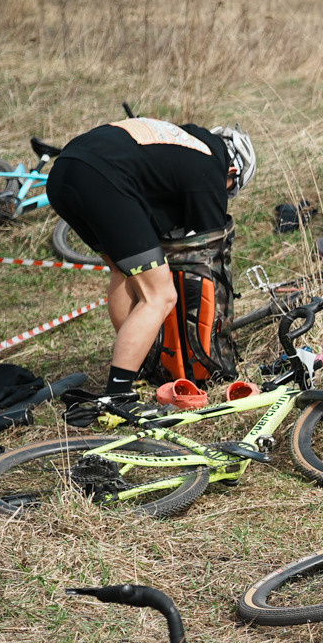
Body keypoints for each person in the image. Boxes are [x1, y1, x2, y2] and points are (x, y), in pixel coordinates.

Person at [46, 115, 255, 419]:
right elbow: (206, 254)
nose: (223, 196)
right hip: (103, 179)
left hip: (65, 173)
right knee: (160, 295)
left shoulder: (184, 141)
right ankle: (118, 395)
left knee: (124, 272)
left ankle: (138, 363)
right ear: (233, 171)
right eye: (229, 190)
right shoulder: (211, 165)